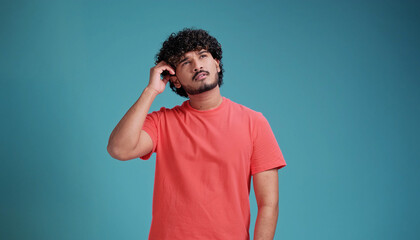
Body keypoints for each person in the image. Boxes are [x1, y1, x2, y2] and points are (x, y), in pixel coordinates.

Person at [107, 27, 287, 240]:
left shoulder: (254, 122)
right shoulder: (162, 122)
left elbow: (268, 204)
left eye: (203, 56)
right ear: (175, 79)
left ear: (217, 64)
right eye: (185, 62)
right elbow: (119, 149)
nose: (197, 65)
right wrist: (151, 91)